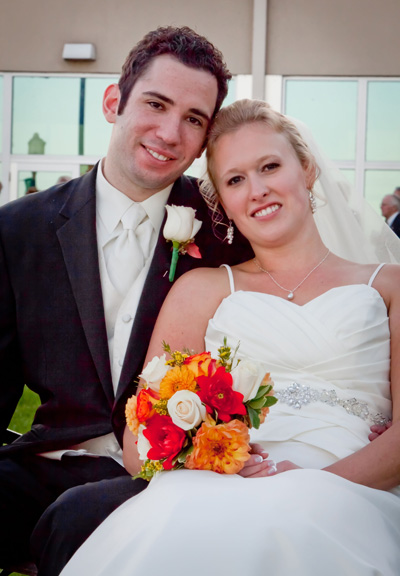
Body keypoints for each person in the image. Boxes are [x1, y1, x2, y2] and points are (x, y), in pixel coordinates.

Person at [61, 99, 400, 576]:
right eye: (236, 179)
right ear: (220, 199)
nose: (257, 190)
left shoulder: (389, 285)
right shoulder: (202, 290)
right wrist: (206, 464)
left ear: (306, 169)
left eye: (270, 166)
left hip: (352, 489)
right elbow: (142, 437)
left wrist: (310, 485)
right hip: (217, 485)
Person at [0, 26, 252, 575]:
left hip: (165, 474)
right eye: (156, 104)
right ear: (114, 102)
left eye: (193, 119)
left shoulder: (227, 235)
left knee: (79, 519)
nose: (169, 132)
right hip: (46, 461)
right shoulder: (20, 229)